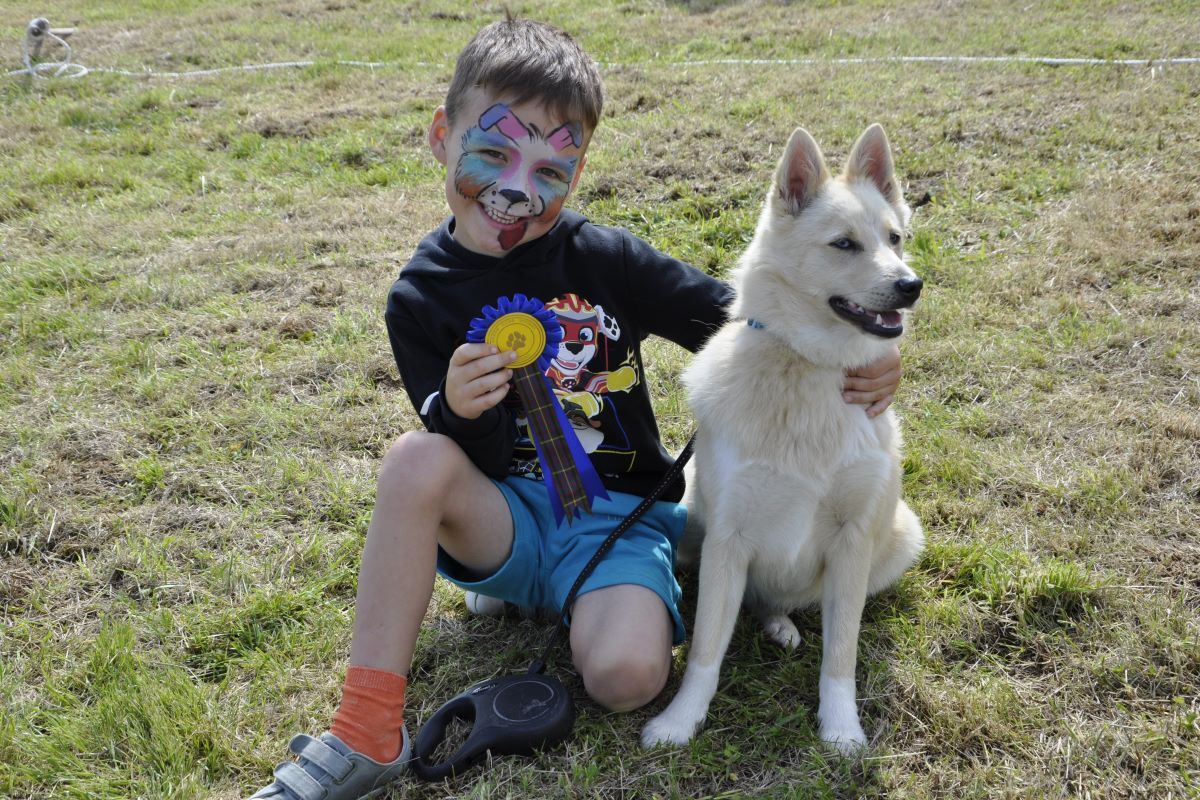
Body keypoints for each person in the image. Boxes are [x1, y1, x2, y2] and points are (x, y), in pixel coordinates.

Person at [247, 16, 902, 800]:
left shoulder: (605, 257)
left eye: (551, 166)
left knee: (627, 678)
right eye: (493, 152)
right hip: (509, 515)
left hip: (619, 518)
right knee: (416, 459)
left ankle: (575, 602)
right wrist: (459, 409)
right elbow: (464, 455)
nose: (519, 187)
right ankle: (365, 725)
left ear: (580, 168)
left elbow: (756, 312)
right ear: (439, 137)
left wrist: (866, 338)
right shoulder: (417, 299)